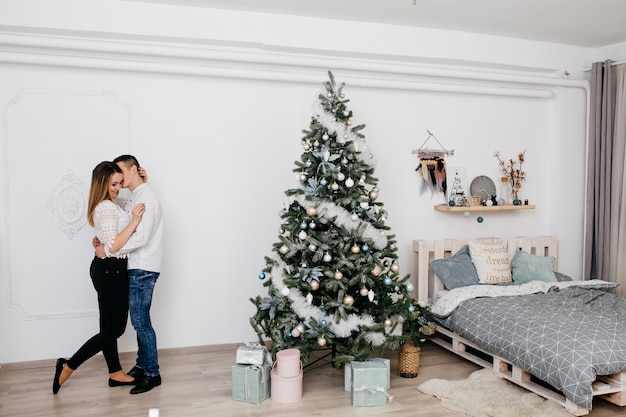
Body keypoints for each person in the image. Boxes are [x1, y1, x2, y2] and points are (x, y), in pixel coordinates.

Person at [53, 161, 145, 394]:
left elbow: (132, 203)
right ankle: (69, 364)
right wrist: (134, 222)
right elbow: (113, 245)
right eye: (114, 184)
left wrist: (143, 182)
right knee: (114, 330)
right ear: (103, 184)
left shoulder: (114, 203)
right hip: (110, 270)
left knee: (107, 326)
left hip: (107, 269)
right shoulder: (105, 207)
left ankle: (114, 372)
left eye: (120, 183)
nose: (118, 188)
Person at [111, 155, 164, 395]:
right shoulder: (138, 195)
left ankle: (152, 373)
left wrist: (113, 248)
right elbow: (117, 203)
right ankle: (143, 365)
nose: (119, 178)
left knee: (140, 322)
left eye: (121, 171)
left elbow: (141, 237)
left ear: (133, 169)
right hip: (139, 266)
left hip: (143, 267)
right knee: (139, 320)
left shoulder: (147, 197)